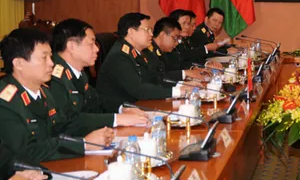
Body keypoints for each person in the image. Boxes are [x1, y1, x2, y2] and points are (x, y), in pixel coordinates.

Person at [0, 29, 114, 163]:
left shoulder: (44, 91)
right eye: (44, 58)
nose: (51, 63)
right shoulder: (6, 102)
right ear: (19, 64)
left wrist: (97, 134)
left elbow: (64, 126)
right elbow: (26, 151)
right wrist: (83, 144)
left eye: (50, 56)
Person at [49, 19, 149, 137]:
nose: (97, 49)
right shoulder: (53, 78)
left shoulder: (78, 72)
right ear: (71, 46)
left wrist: (122, 109)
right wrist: (116, 119)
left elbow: (97, 100)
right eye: (91, 44)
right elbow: (69, 121)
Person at [96, 13, 191, 108]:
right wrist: (178, 91)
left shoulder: (138, 52)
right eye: (147, 30)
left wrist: (181, 86)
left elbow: (154, 78)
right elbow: (139, 90)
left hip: (139, 104)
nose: (151, 34)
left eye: (151, 30)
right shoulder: (119, 56)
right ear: (131, 32)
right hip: (123, 110)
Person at [143, 17, 207, 85]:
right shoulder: (147, 52)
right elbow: (156, 79)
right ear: (162, 35)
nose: (176, 43)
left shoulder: (162, 51)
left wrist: (191, 70)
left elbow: (173, 67)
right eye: (175, 38)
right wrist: (185, 73)